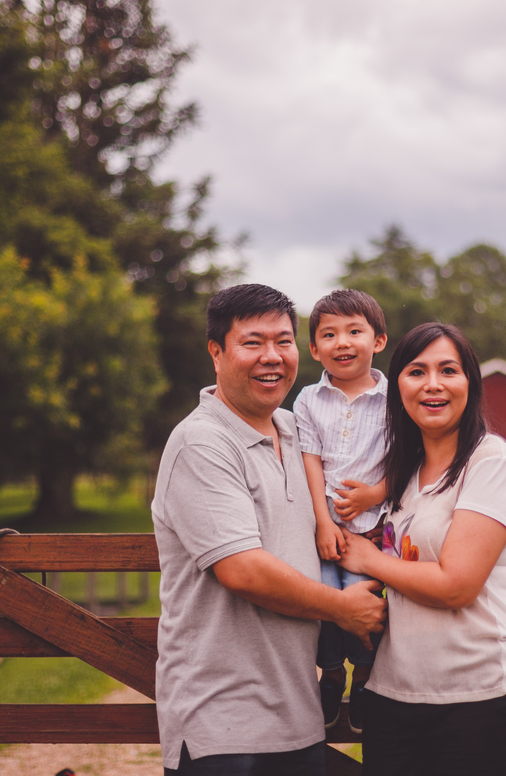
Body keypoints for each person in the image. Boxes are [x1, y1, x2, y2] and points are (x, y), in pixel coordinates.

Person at [151, 284, 387, 775]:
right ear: (216, 352)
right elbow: (243, 572)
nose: (272, 358)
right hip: (224, 722)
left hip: (296, 716)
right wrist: (344, 607)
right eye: (252, 343)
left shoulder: (297, 431)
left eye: (283, 341)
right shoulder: (202, 443)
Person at [337, 322, 506, 776]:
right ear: (398, 387)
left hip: (479, 695)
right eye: (416, 371)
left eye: (449, 370)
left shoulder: (490, 462)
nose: (433, 385)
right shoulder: (402, 475)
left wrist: (369, 559)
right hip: (393, 694)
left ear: (470, 384)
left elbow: (456, 585)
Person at [293, 288, 390, 733]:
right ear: (314, 349)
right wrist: (321, 520)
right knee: (325, 597)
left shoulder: (394, 401)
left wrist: (373, 495)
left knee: (364, 596)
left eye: (355, 331)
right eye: (328, 335)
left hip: (372, 531)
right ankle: (331, 675)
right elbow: (310, 460)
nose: (342, 342)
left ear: (379, 340)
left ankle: (366, 678)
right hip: (325, 530)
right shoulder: (308, 401)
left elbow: (408, 462)